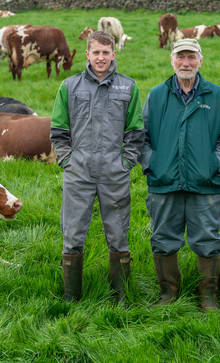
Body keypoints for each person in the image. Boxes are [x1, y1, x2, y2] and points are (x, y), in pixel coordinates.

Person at [140, 38, 220, 311]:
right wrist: (152, 164)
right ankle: (168, 293)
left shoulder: (215, 95)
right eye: (180, 57)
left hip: (204, 184)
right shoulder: (157, 95)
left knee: (207, 239)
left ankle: (208, 296)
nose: (186, 63)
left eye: (191, 57)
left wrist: (214, 167)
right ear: (172, 60)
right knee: (163, 238)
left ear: (200, 61)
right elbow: (141, 138)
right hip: (163, 183)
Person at [50, 30, 144, 304]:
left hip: (114, 173)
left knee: (118, 232)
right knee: (73, 232)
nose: (100, 58)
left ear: (113, 54)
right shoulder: (69, 86)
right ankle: (71, 297)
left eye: (105, 52)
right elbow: (58, 130)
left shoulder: (128, 87)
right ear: (87, 54)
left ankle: (122, 296)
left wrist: (125, 162)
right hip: (78, 172)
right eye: (96, 52)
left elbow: (136, 131)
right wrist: (68, 160)